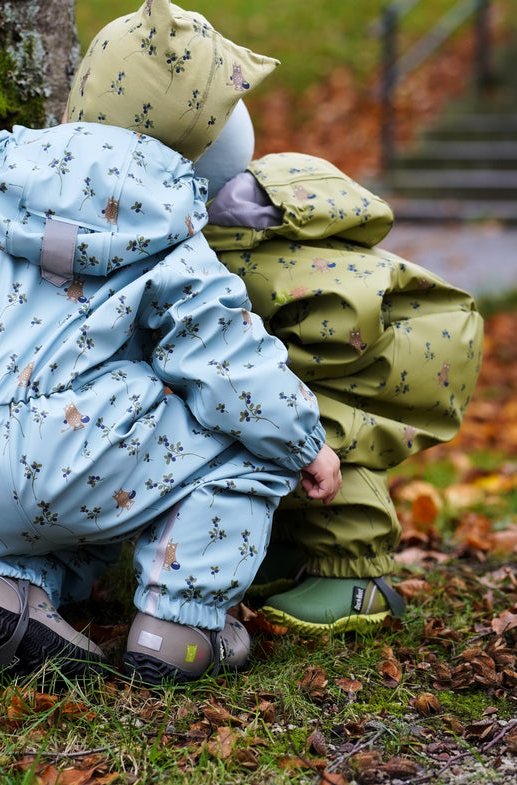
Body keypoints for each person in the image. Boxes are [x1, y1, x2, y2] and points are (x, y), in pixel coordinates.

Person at [0, 0, 341, 686]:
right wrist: (303, 440)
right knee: (243, 450)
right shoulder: (175, 242)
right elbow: (231, 364)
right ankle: (178, 628)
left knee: (27, 489)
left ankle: (1, 588)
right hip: (78, 456)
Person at [197, 112, 484, 635]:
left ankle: (357, 577)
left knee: (323, 428)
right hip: (364, 346)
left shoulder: (244, 242)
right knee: (270, 416)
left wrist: (280, 376)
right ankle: (295, 551)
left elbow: (338, 310)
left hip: (389, 353)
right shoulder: (253, 217)